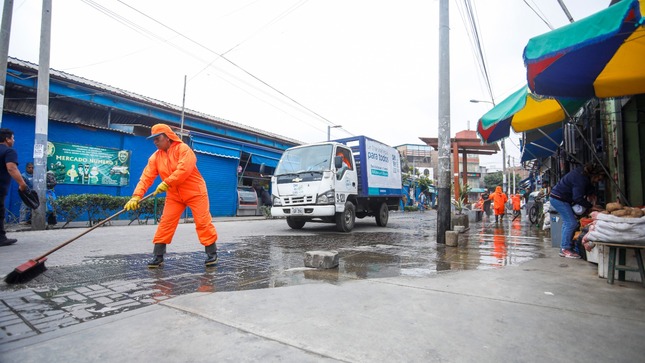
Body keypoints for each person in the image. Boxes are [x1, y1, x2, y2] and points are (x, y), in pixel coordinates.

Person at [124, 123, 218, 268]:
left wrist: (167, 182)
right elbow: (146, 177)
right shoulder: (155, 158)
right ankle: (158, 256)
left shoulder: (184, 150)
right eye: (153, 139)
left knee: (203, 222)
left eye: (158, 138)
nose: (155, 142)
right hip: (174, 194)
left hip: (195, 192)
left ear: (168, 137)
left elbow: (184, 169)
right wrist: (136, 196)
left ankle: (211, 254)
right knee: (166, 223)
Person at [550, 163, 605, 259]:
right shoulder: (580, 178)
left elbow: (587, 188)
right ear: (594, 175)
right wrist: (591, 206)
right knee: (571, 223)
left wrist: (591, 194)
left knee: (568, 223)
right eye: (598, 179)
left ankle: (564, 247)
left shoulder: (583, 175)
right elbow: (577, 198)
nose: (598, 181)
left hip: (559, 198)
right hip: (559, 199)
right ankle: (565, 249)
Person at [0, 128, 29, 246]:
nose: (14, 140)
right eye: (12, 138)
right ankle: (1, 238)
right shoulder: (9, 151)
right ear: (7, 139)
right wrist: (22, 183)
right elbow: (11, 168)